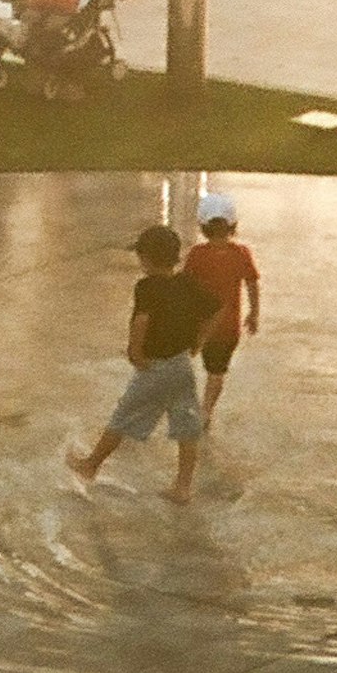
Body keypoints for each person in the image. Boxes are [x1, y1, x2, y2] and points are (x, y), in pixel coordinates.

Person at [66, 222, 217, 503]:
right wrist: (199, 341)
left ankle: (91, 465)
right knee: (187, 427)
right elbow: (214, 309)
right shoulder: (187, 282)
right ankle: (183, 487)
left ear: (146, 258)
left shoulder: (147, 287)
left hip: (155, 367)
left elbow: (142, 321)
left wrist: (134, 352)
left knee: (123, 416)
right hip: (182, 366)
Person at [182, 191, 262, 424]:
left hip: (199, 325)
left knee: (181, 362)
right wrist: (254, 313)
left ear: (203, 226)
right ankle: (206, 410)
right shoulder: (241, 253)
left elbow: (186, 287)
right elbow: (252, 283)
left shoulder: (197, 254)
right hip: (228, 327)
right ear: (233, 225)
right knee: (216, 372)